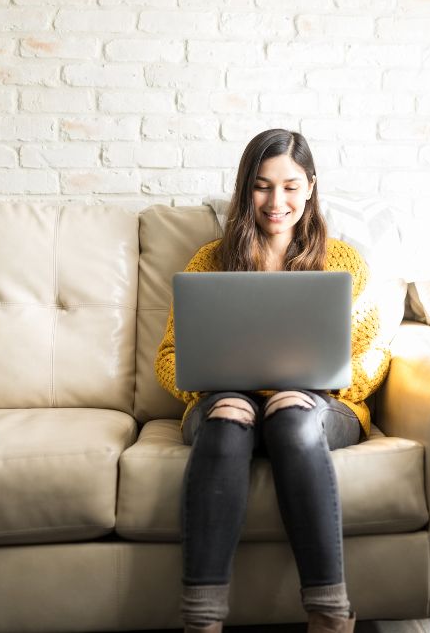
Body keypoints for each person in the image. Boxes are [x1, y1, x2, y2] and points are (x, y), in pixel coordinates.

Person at [155, 129, 391, 633]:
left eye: (289, 185)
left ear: (310, 186)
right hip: (223, 403)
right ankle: (201, 621)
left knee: (292, 422)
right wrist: (207, 395)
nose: (276, 201)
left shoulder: (344, 262)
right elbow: (171, 356)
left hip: (320, 406)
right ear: (245, 190)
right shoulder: (211, 261)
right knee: (225, 425)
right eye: (262, 186)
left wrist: (318, 393)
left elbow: (372, 355)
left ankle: (329, 614)